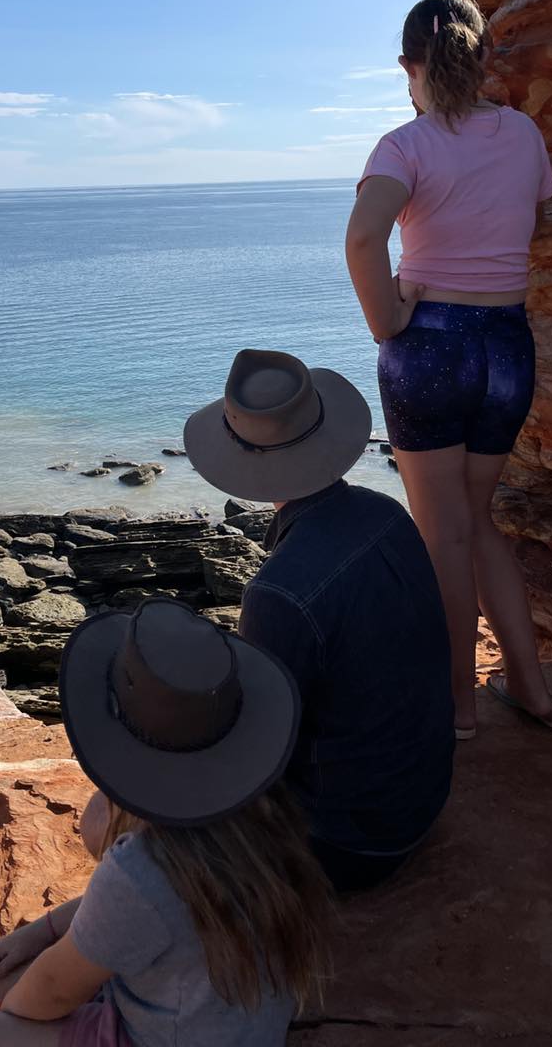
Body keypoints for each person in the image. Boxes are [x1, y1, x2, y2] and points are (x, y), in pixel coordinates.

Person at [0, 599, 332, 1047]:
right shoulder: (262, 820)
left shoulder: (143, 870)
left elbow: (53, 989)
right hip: (213, 1024)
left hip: (155, 1038)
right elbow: (146, 910)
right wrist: (43, 930)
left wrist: (6, 1025)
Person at [345, 0, 552, 740]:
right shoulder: (523, 133)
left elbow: (363, 238)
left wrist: (387, 321)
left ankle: (459, 706)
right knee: (478, 523)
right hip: (506, 347)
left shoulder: (404, 146)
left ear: (408, 67)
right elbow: (532, 219)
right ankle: (533, 692)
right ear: (485, 58)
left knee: (442, 533)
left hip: (430, 348)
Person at [183, 348, 454, 894]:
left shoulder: (278, 593)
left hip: (347, 843)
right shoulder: (386, 513)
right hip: (422, 798)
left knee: (139, 811)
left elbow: (260, 750)